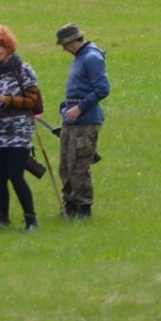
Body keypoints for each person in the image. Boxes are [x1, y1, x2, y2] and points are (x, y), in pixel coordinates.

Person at [0, 26, 42, 231]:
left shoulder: (24, 70)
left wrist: (5, 99)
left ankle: (31, 219)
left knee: (15, 174)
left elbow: (31, 101)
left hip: (20, 128)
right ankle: (2, 218)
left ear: (8, 48)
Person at [55, 23, 109, 221]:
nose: (63, 48)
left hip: (85, 121)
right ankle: (69, 206)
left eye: (64, 44)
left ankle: (83, 209)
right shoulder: (81, 58)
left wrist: (79, 108)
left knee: (79, 167)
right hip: (72, 121)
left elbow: (103, 88)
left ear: (72, 41)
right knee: (66, 166)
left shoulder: (92, 58)